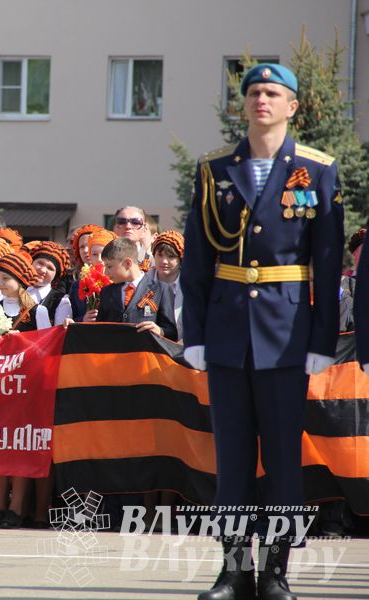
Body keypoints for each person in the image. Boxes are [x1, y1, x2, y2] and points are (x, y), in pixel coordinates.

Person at [182, 63, 343, 600]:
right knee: (230, 461)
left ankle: (275, 572)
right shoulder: (214, 170)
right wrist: (195, 335)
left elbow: (326, 258)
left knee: (281, 463)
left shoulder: (316, 170)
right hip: (228, 331)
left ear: (293, 105)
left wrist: (322, 341)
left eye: (273, 93)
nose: (261, 100)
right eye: (253, 92)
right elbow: (197, 262)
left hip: (287, 332)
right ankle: (232, 572)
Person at [0, 252, 47, 528]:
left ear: (21, 280)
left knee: (19, 447)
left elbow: (47, 349)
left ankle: (16, 507)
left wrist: (23, 342)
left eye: (7, 278)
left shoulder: (37, 310)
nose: (1, 282)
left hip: (26, 388)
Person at [96, 237, 177, 340]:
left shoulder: (161, 290)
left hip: (144, 353)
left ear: (128, 263)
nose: (105, 272)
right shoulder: (107, 292)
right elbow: (98, 329)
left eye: (109, 266)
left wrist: (160, 330)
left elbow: (172, 332)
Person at [150, 230, 185, 341]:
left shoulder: (190, 286)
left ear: (180, 259)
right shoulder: (143, 281)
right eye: (160, 255)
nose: (164, 261)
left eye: (171, 257)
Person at [28, 242, 73, 326]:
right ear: (31, 263)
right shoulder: (16, 289)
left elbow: (58, 335)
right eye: (40, 263)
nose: (43, 270)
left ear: (55, 276)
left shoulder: (61, 301)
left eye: (50, 268)